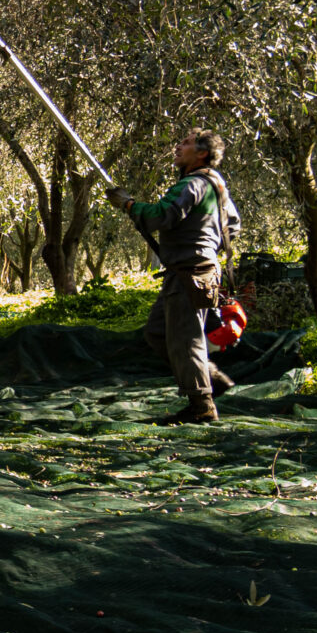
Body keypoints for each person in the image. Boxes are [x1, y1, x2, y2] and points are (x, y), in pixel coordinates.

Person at [111, 128, 241, 425]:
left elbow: (161, 215)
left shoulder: (192, 184)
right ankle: (210, 378)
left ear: (202, 153)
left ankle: (202, 406)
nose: (178, 147)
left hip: (189, 273)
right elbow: (233, 226)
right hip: (196, 271)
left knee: (186, 340)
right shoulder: (216, 185)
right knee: (158, 332)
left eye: (186, 143)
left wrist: (129, 205)